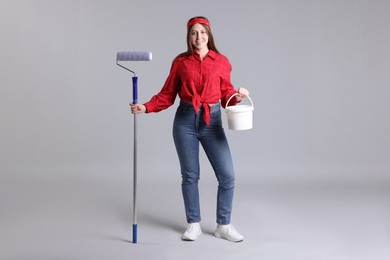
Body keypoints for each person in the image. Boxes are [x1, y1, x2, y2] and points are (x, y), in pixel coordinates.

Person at [130, 16, 249, 242]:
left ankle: (223, 225)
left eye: (202, 32)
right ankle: (193, 223)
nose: (198, 37)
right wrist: (145, 107)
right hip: (184, 121)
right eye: (194, 33)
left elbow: (226, 97)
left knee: (227, 175)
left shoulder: (222, 61)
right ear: (188, 36)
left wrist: (238, 97)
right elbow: (167, 94)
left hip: (211, 121)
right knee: (190, 175)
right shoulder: (180, 62)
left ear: (209, 35)